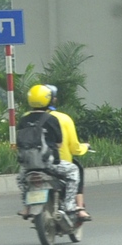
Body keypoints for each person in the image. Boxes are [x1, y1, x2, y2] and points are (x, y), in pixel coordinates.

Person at [16, 83, 91, 221]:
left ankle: (26, 206)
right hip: (50, 164)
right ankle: (71, 206)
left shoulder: (23, 119)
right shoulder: (55, 119)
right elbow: (60, 143)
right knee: (74, 171)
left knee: (21, 180)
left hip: (28, 166)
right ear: (49, 99)